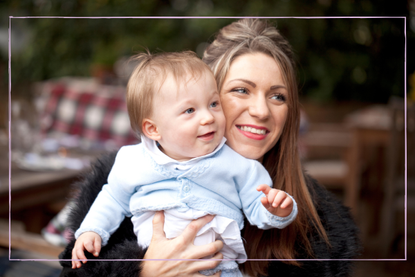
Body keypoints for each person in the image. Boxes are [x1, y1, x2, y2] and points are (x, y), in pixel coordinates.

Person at [59, 19, 361, 277]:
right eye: (241, 90)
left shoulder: (319, 222)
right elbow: (75, 268)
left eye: (277, 96)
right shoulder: (127, 172)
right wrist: (142, 270)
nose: (261, 111)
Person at [71, 51, 298, 277]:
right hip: (154, 264)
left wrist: (275, 209)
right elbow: (112, 198)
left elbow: (256, 204)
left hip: (221, 269)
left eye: (213, 104)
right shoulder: (133, 160)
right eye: (190, 110)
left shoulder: (239, 166)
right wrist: (93, 230)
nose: (207, 117)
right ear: (153, 129)